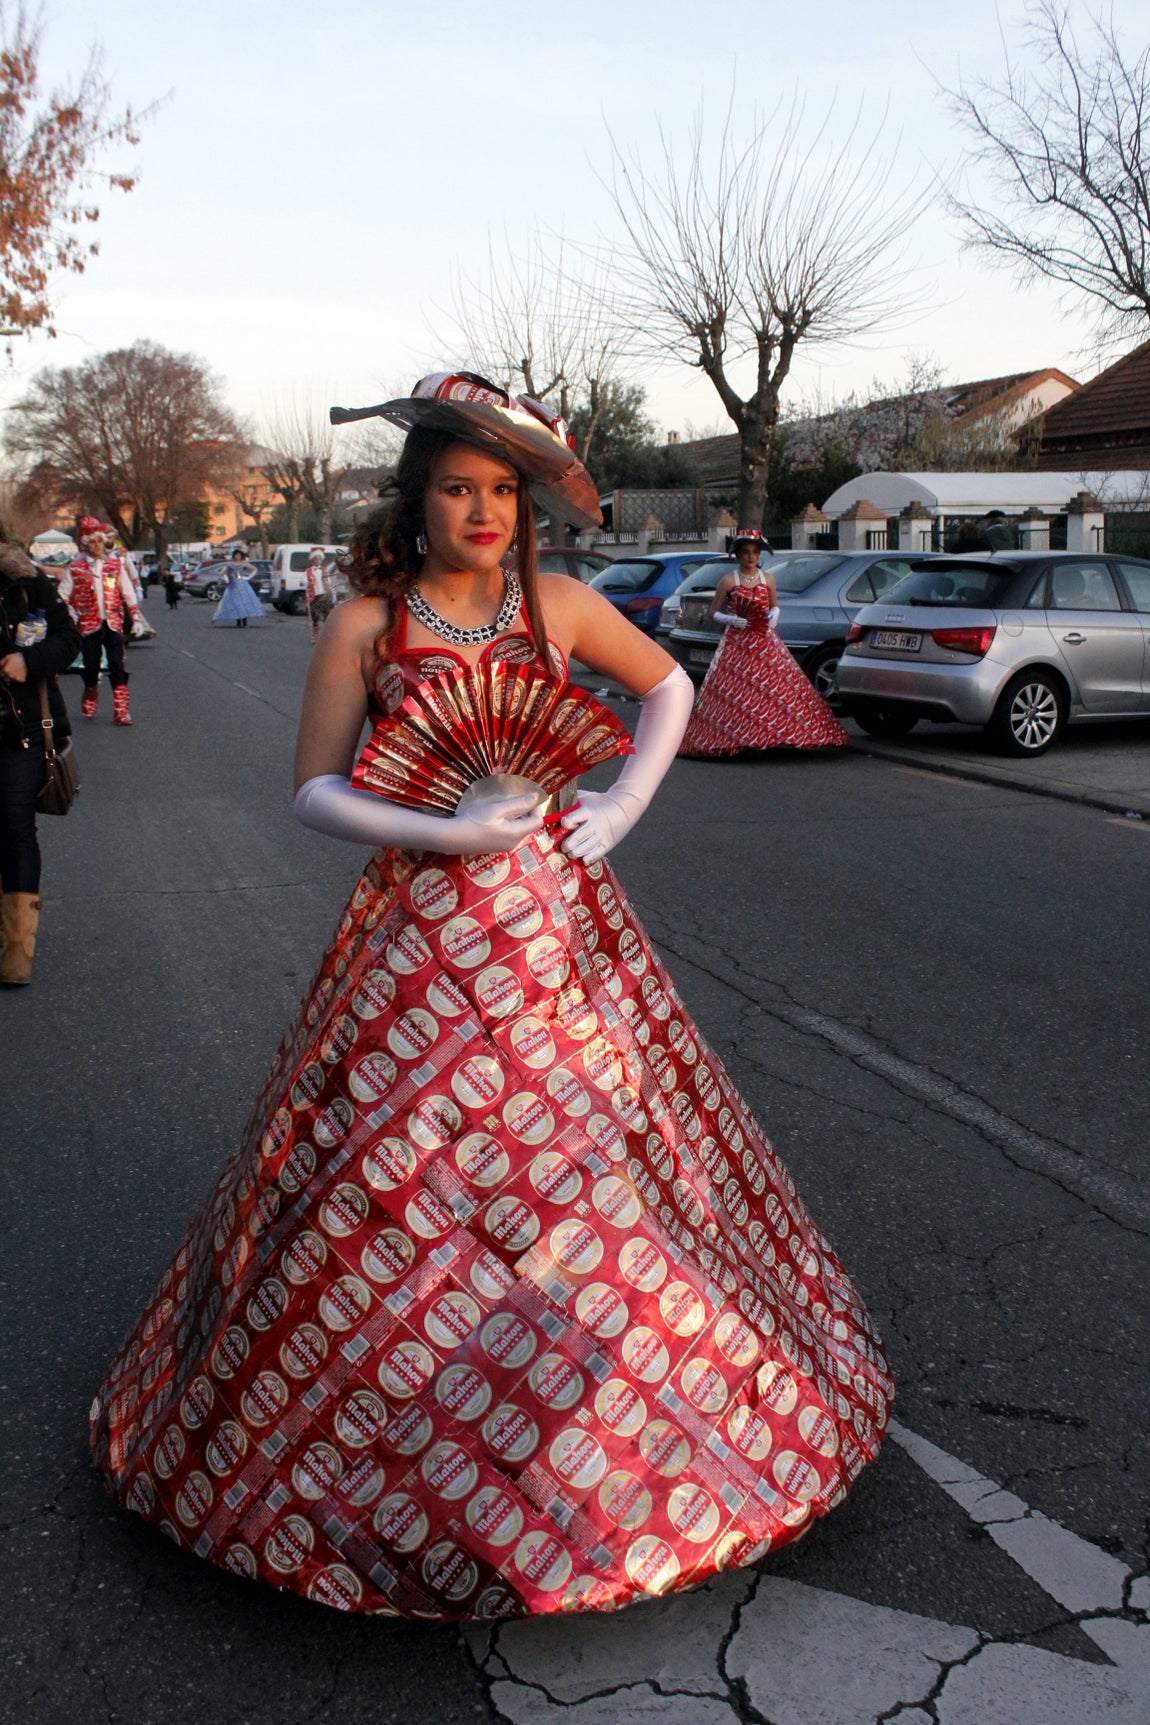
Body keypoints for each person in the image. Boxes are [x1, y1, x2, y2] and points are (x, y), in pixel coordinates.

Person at [91, 373, 891, 1620]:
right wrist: (437, 829)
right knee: (391, 1170)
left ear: (523, 508)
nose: (480, 509)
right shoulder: (364, 624)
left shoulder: (558, 604)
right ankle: (387, 1439)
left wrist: (619, 803)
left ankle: (630, 1450)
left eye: (501, 490)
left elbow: (668, 688)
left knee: (600, 1157)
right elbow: (310, 790)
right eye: (457, 487)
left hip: (559, 936)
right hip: (417, 937)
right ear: (417, 502)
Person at [679, 528, 848, 756]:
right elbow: (712, 612)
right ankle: (735, 735)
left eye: (755, 552)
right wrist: (732, 620)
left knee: (775, 687)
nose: (751, 556)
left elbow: (774, 604)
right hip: (737, 643)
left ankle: (773, 734)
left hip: (764, 640)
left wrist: (774, 615)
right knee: (737, 689)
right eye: (746, 552)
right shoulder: (728, 580)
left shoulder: (768, 578)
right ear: (738, 555)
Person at [0, 532, 81, 985]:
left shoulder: (27, 583)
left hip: (20, 730)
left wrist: (27, 663)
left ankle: (18, 947)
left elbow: (69, 640)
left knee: (14, 826)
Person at [58, 517, 144, 726]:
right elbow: (62, 595)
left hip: (113, 622)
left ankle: (121, 710)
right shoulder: (76, 568)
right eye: (93, 541)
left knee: (117, 665)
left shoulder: (114, 565)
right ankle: (90, 689)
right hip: (89, 626)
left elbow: (127, 592)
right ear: (85, 543)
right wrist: (71, 612)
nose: (97, 545)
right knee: (91, 667)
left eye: (100, 541)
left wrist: (135, 617)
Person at [213, 548, 265, 628]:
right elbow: (224, 573)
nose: (238, 556)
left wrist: (248, 577)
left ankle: (244, 621)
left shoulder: (244, 563)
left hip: (242, 585)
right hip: (233, 585)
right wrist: (226, 579)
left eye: (239, 555)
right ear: (234, 555)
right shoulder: (230, 563)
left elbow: (254, 570)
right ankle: (238, 621)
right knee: (235, 602)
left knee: (244, 602)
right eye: (236, 555)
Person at [305, 545, 333, 643]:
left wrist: (330, 591)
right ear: (312, 560)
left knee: (327, 615)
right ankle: (315, 636)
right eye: (316, 559)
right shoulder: (308, 571)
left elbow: (328, 581)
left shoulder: (324, 570)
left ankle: (327, 635)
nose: (318, 561)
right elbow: (303, 581)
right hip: (314, 595)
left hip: (324, 594)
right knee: (315, 616)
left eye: (319, 559)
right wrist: (306, 583)